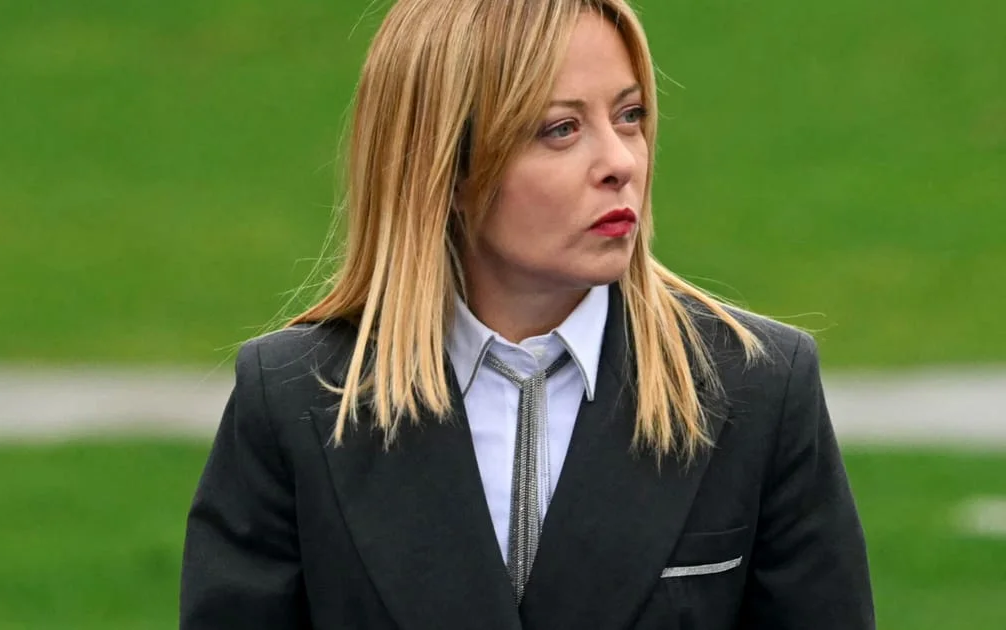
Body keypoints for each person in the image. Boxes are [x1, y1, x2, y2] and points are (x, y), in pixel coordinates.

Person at [180, 0, 876, 628]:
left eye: (630, 116)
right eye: (561, 129)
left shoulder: (757, 386)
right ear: (444, 169)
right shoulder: (294, 399)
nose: (621, 162)